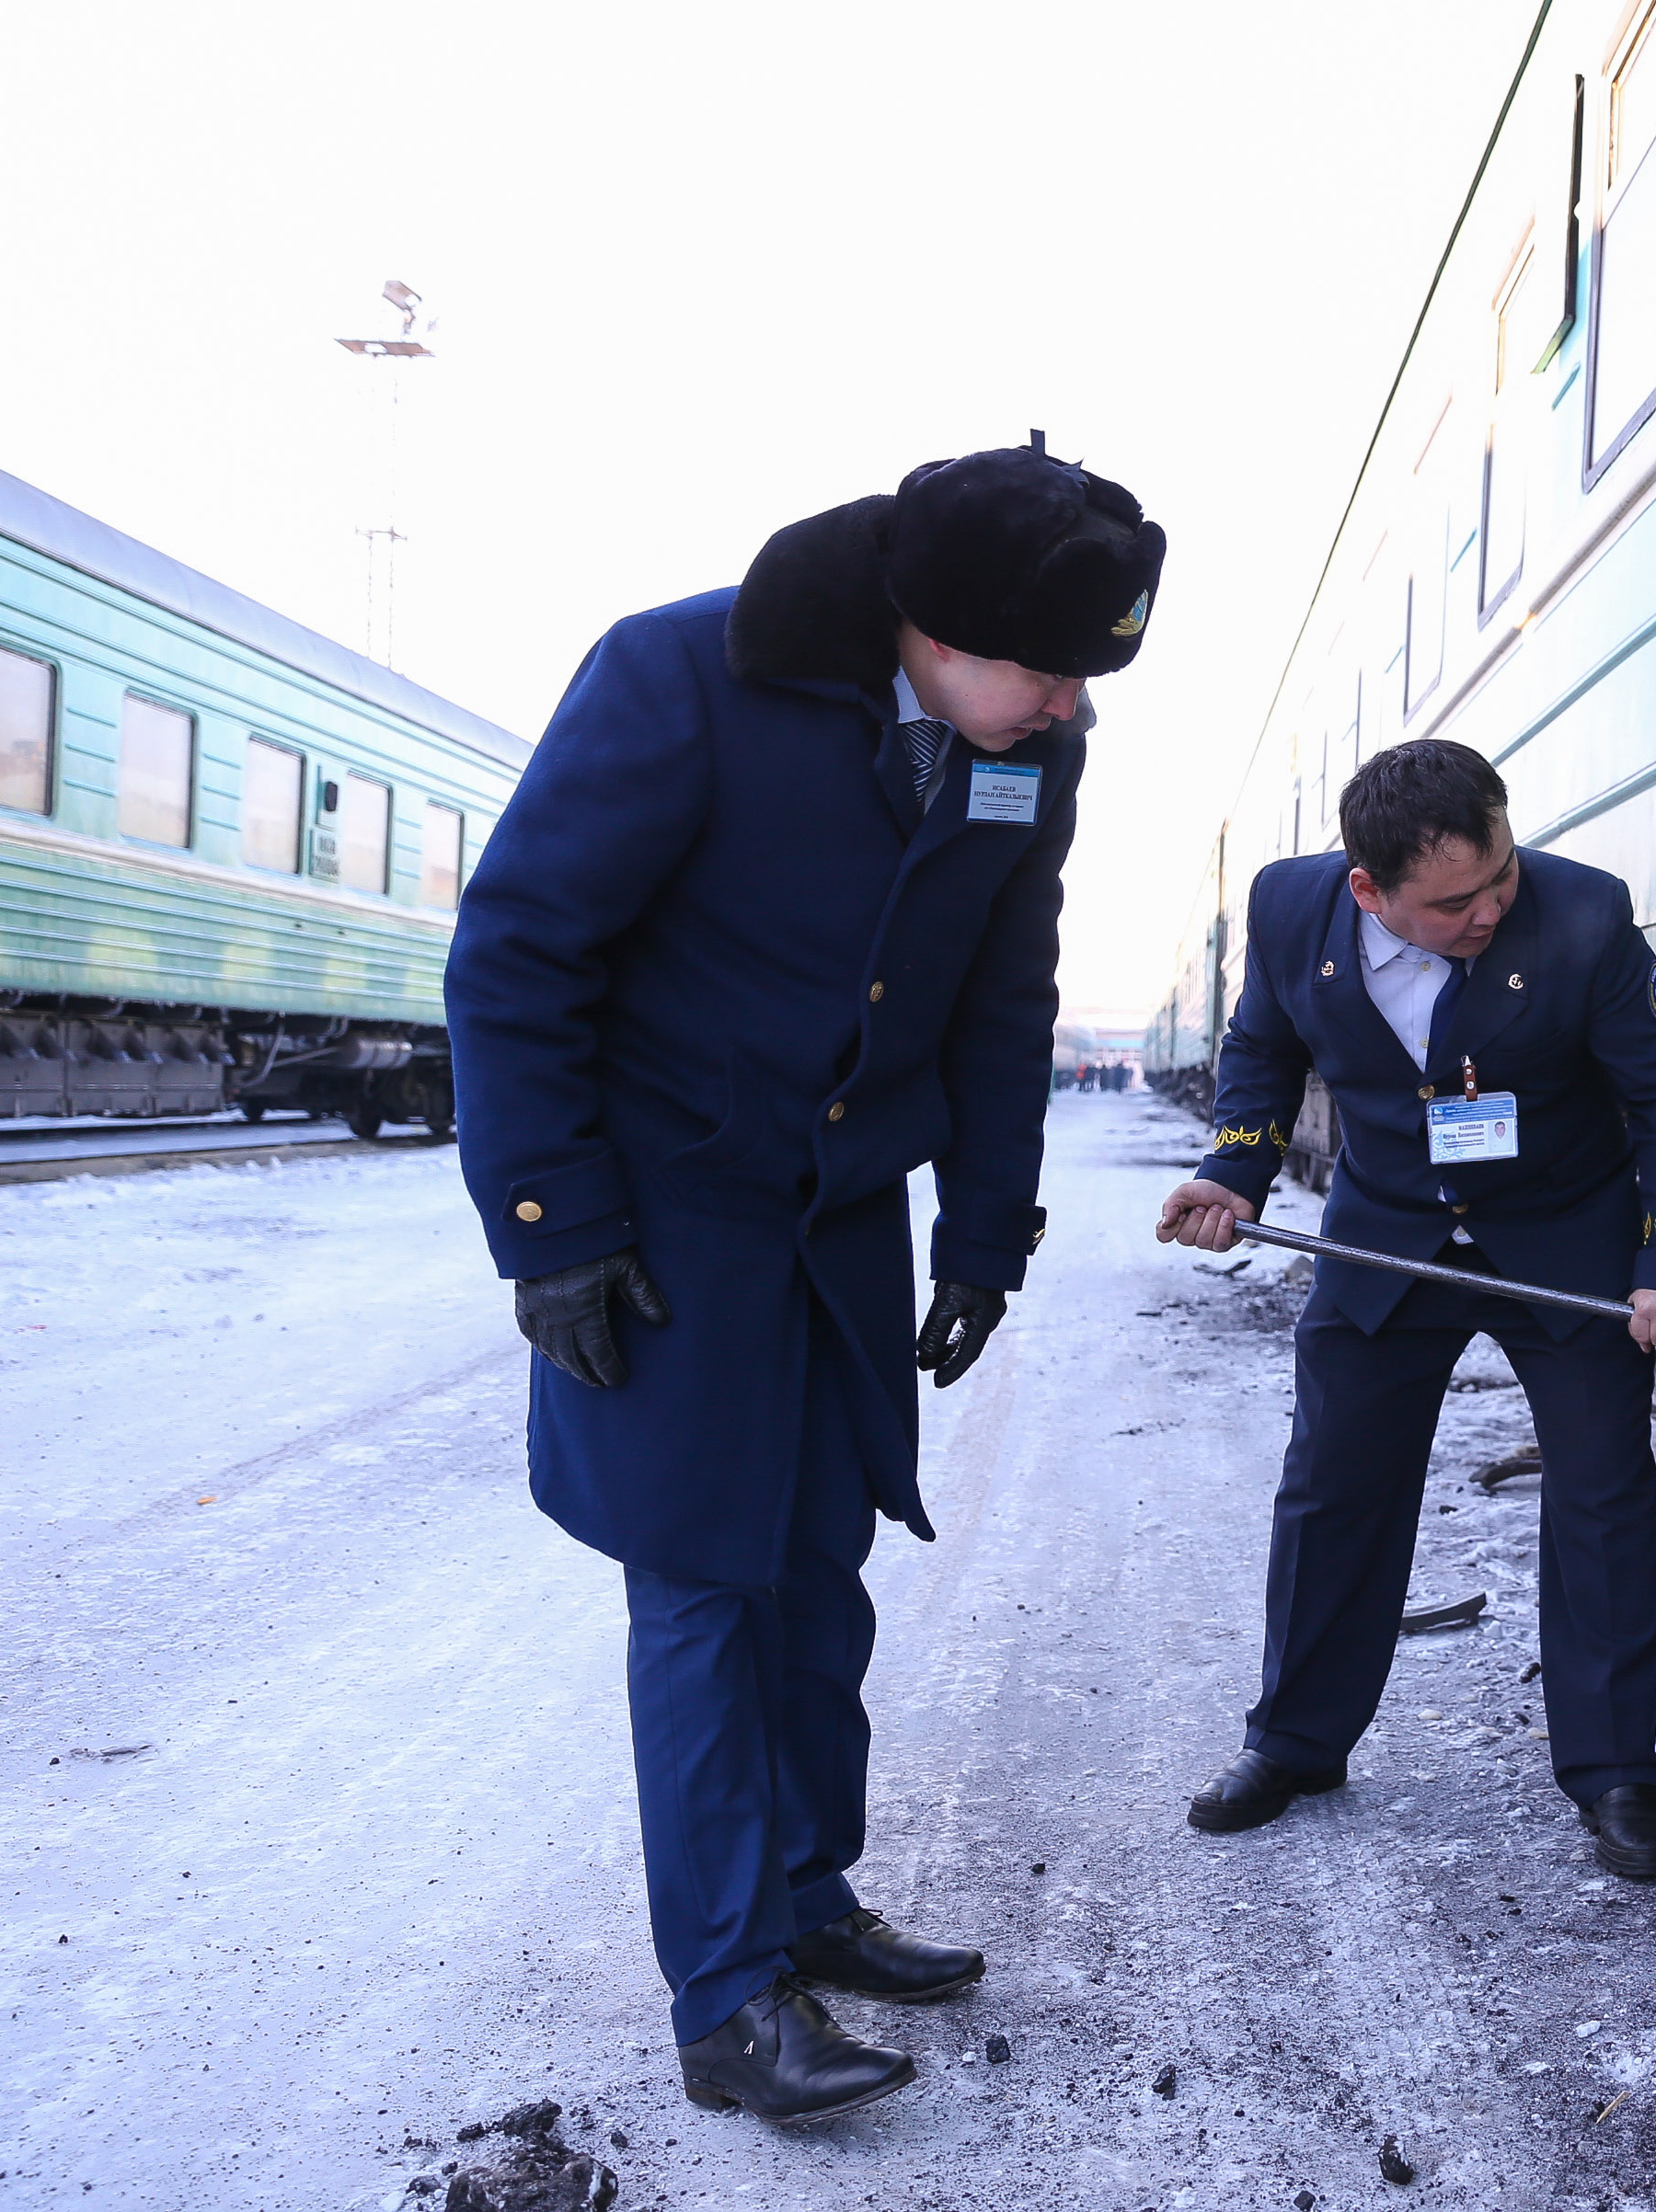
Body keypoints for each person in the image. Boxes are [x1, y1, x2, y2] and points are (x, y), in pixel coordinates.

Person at [447, 444, 1165, 2123]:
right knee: (702, 1589)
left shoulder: (1025, 755)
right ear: (927, 624)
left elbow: (1004, 992)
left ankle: (806, 1895)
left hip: (842, 1214)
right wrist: (549, 1220)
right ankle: (727, 1996)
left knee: (817, 1565)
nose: (1065, 707)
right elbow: (520, 949)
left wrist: (987, 1229)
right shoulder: (681, 676)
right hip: (664, 1212)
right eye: (1045, 669)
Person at [1156, 740, 1656, 1880]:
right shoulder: (1288, 908)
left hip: (1564, 1237)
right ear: (1368, 889)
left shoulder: (1587, 912)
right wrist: (1233, 1171)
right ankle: (1298, 1743)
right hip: (1386, 1232)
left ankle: (1614, 1773)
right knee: (1333, 1486)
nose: (1490, 909)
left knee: (1603, 1493)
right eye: (1456, 900)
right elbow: (1261, 1049)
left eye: (1501, 875)